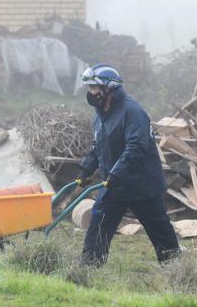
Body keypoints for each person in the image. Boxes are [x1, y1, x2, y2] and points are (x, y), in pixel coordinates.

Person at [76, 63, 180, 267]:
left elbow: (136, 147)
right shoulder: (100, 114)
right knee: (98, 226)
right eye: (89, 88)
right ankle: (89, 269)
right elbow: (99, 146)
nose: (90, 92)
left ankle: (176, 269)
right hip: (113, 185)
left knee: (160, 230)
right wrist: (86, 168)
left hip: (142, 185)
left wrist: (116, 173)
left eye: (94, 88)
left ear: (108, 88)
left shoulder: (133, 112)